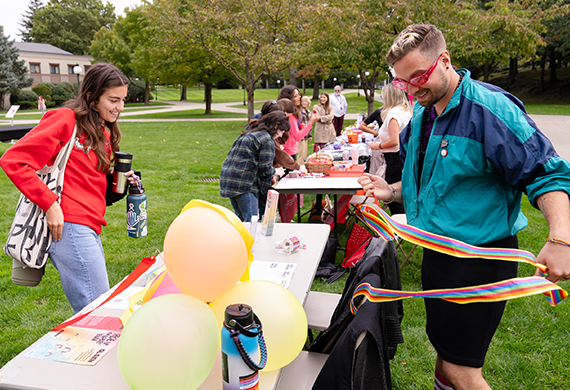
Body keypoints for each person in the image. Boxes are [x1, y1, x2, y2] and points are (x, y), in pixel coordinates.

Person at [358, 23, 570, 390]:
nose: (411, 89)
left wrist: (561, 240)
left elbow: (547, 174)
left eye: (418, 77)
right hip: (438, 255)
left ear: (444, 61)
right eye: (402, 82)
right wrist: (390, 192)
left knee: (461, 371)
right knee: (444, 360)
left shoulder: (489, 110)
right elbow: (425, 185)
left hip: (481, 260)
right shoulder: (421, 115)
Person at [1, 63, 138, 314]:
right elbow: (13, 160)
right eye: (113, 99)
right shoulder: (65, 119)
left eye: (123, 100)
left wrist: (118, 183)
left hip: (89, 225)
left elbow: (89, 184)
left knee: (95, 310)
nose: (120, 107)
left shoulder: (101, 132)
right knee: (99, 313)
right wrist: (50, 204)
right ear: (91, 97)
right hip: (69, 227)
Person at [220, 111, 290, 222]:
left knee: (240, 220)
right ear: (276, 125)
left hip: (229, 181)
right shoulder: (267, 139)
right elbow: (265, 169)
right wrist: (275, 171)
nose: (281, 135)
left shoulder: (251, 133)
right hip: (245, 184)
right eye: (282, 131)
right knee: (251, 221)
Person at [367, 84, 411, 215]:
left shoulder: (394, 113)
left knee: (394, 197)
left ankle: (400, 229)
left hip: (394, 158)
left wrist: (378, 146)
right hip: (402, 156)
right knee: (401, 195)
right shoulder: (405, 111)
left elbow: (394, 140)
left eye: (383, 96)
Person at [278, 85, 319, 160]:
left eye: (299, 94)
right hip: (288, 152)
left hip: (286, 150)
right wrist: (311, 123)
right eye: (296, 96)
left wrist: (299, 126)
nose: (299, 97)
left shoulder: (287, 112)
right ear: (289, 99)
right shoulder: (290, 116)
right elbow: (297, 137)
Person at [298, 95, 313, 164]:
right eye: (303, 101)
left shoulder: (309, 112)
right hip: (301, 134)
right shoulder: (299, 111)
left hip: (306, 134)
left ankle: (304, 165)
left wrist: (310, 135)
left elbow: (310, 124)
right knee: (301, 152)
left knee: (305, 152)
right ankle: (300, 166)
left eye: (306, 101)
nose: (304, 103)